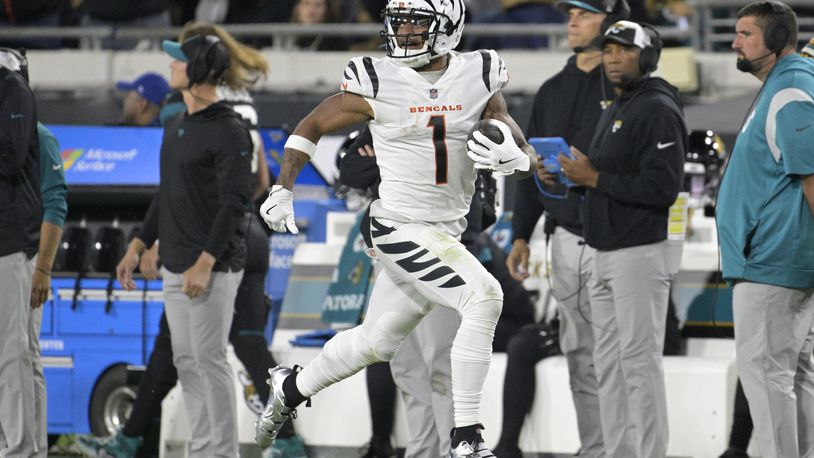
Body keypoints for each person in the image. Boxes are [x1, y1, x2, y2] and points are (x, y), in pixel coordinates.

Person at [255, 0, 539, 456]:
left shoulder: (479, 74)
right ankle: (467, 439)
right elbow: (312, 124)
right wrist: (283, 186)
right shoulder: (377, 77)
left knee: (376, 341)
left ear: (448, 27)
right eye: (399, 21)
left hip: (447, 232)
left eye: (416, 21)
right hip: (397, 226)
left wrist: (518, 158)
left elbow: (518, 144)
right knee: (484, 298)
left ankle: (291, 386)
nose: (404, 30)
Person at [501, 2, 630, 457]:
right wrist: (520, 234)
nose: (572, 22)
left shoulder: (627, 89)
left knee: (619, 357)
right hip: (567, 237)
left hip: (619, 240)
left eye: (585, 14)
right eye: (570, 13)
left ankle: (624, 449)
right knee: (580, 355)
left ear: (612, 23)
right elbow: (530, 167)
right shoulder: (552, 89)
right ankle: (596, 448)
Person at [114, 34, 252, 458]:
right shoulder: (176, 124)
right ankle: (204, 449)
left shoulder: (230, 129)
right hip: (175, 265)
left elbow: (235, 204)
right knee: (187, 362)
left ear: (198, 71)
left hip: (212, 266)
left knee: (208, 360)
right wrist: (139, 242)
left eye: (179, 61)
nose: (171, 66)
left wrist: (206, 262)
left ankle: (222, 452)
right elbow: (167, 192)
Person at [558, 20, 685, 458]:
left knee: (639, 366)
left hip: (638, 253)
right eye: (608, 49)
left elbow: (662, 188)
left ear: (647, 56)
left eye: (624, 50)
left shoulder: (657, 109)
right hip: (604, 250)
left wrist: (593, 176)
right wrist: (575, 176)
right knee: (608, 368)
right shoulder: (619, 104)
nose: (613, 57)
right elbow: (612, 177)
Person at [716, 2, 814, 457]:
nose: (734, 42)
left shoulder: (790, 88)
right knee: (793, 375)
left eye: (745, 34)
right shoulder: (783, 84)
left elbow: (812, 174)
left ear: (775, 41)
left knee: (768, 376)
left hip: (771, 261)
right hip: (776, 258)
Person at [0, 47, 44, 458]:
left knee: (13, 351)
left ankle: (20, 450)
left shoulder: (11, 89)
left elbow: (10, 158)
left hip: (10, 243)